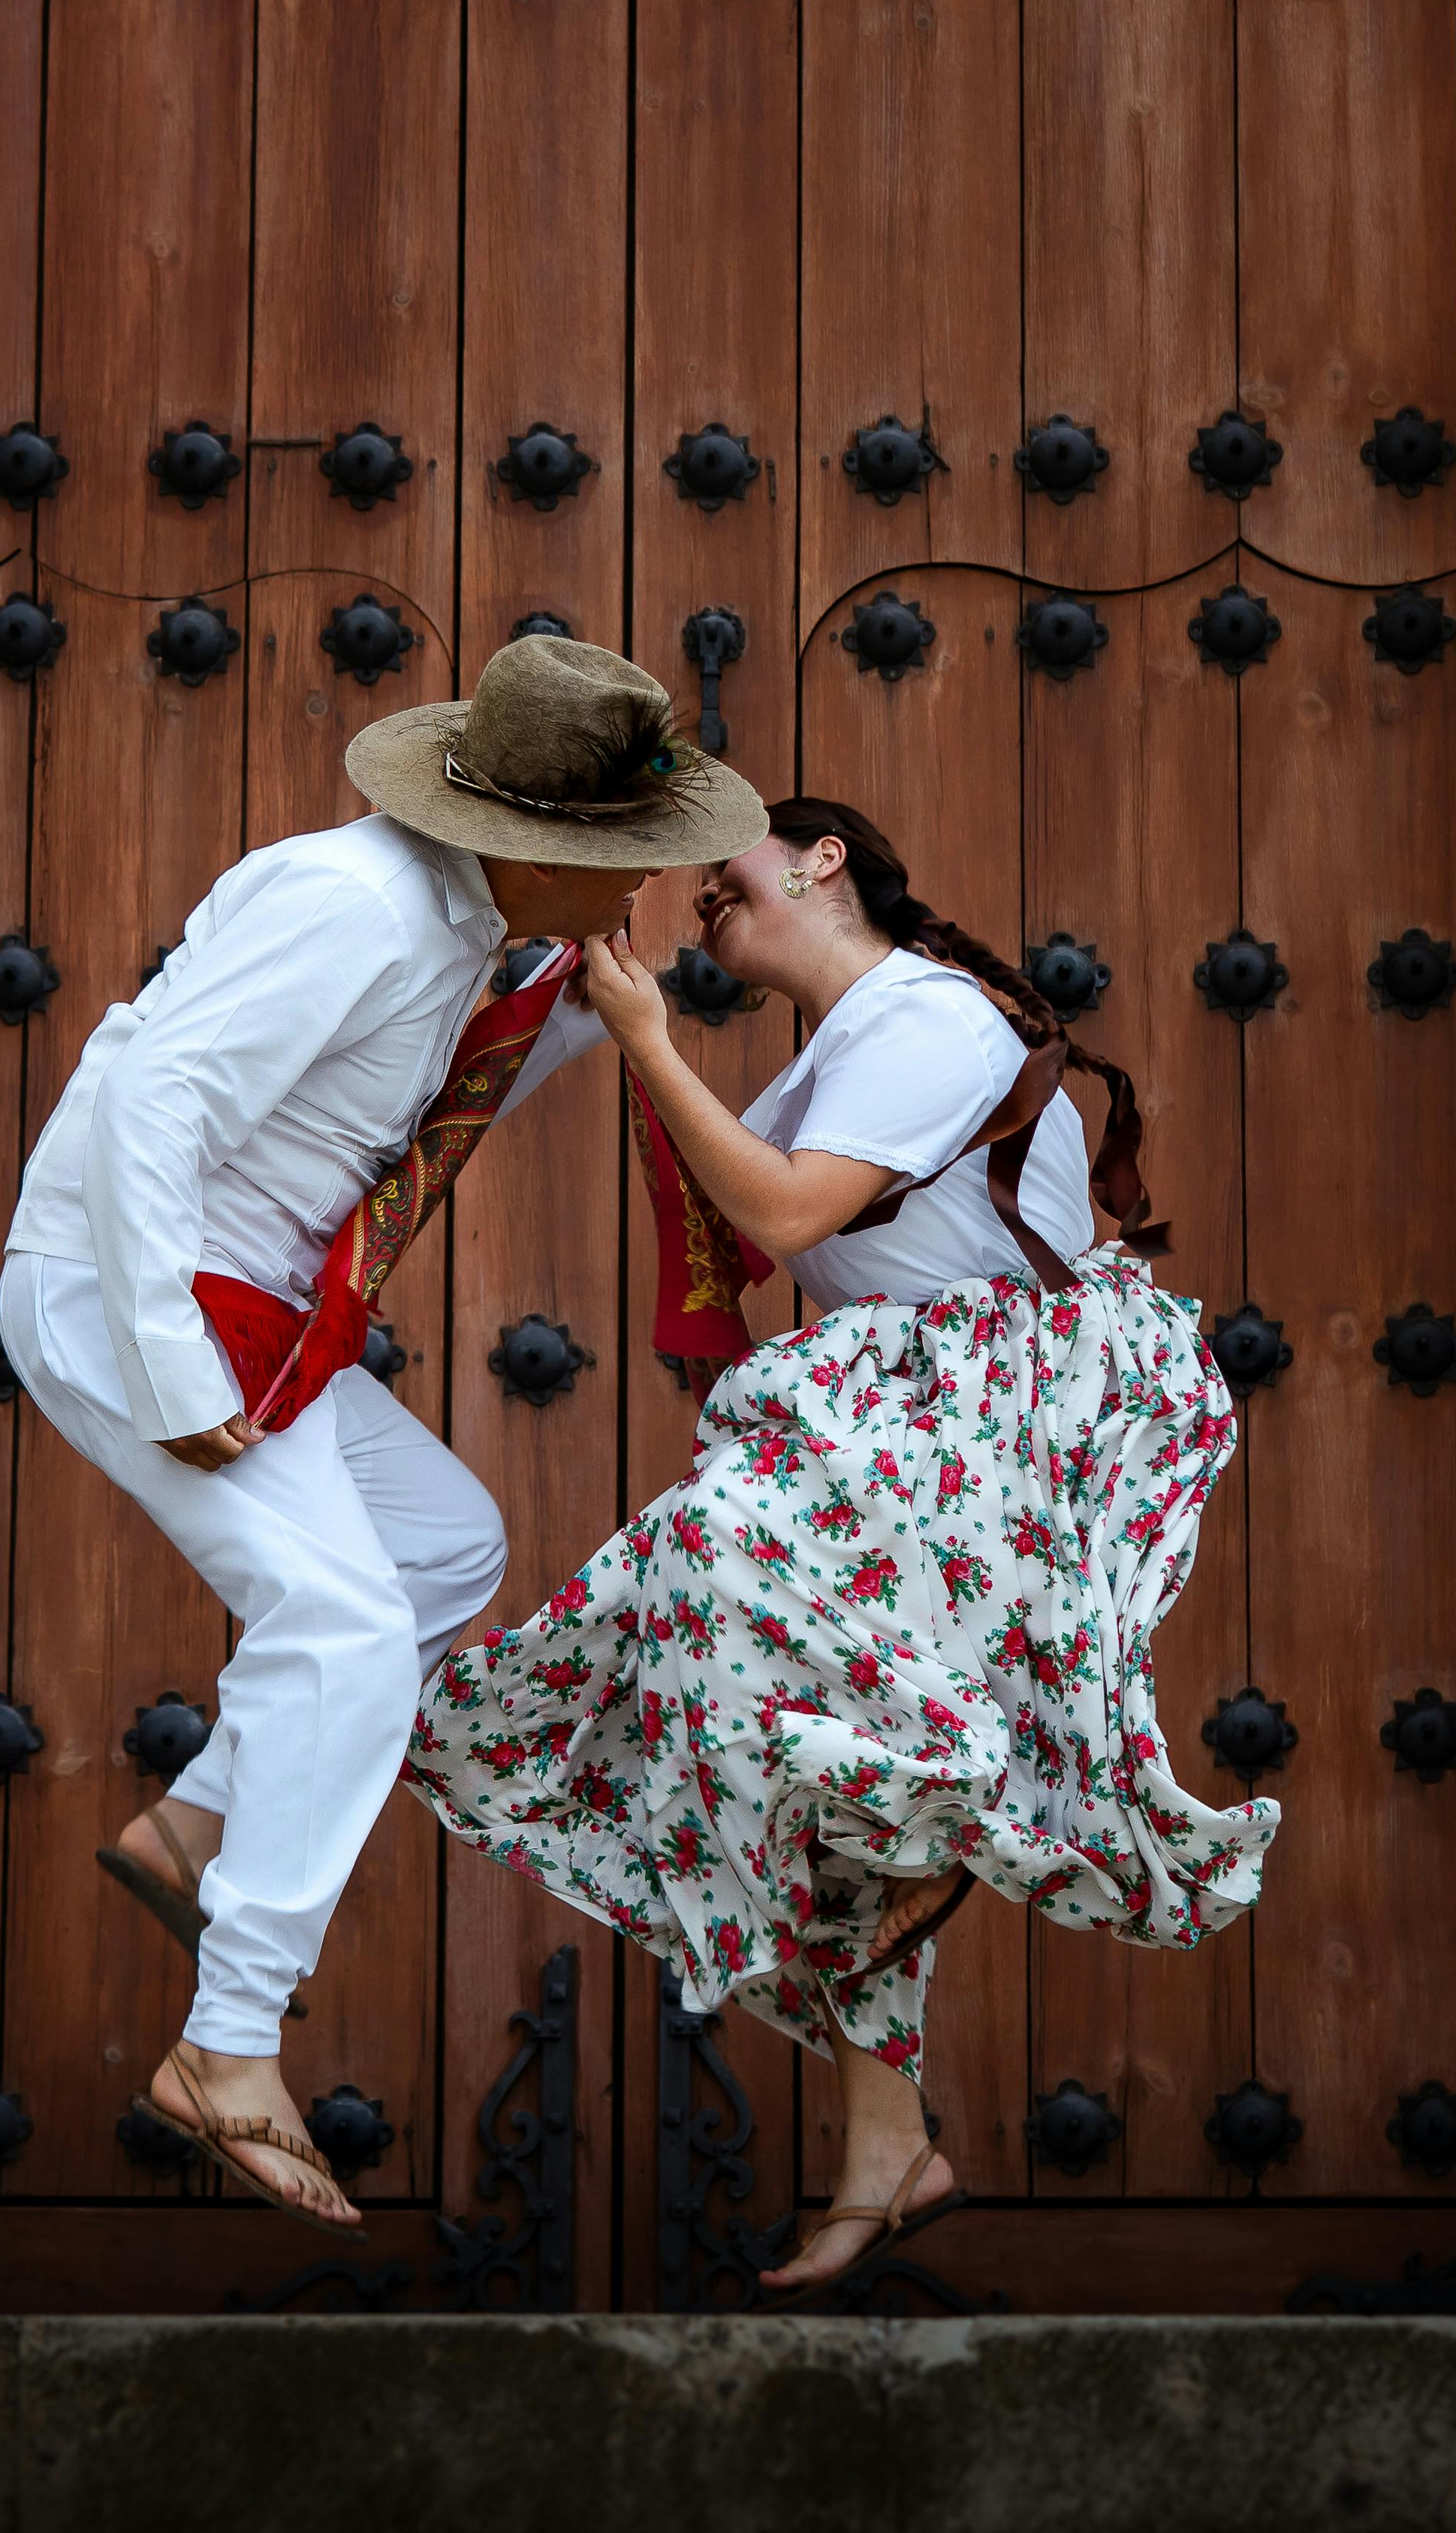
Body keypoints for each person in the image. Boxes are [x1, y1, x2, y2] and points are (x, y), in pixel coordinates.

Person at [408, 796, 1279, 2296]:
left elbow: (789, 1207)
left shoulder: (927, 1015)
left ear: (822, 860)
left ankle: (954, 1804)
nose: (700, 902)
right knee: (815, 1757)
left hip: (993, 1408)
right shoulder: (842, 1047)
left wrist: (648, 1038)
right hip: (903, 1401)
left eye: (727, 869)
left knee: (709, 1575)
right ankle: (890, 2141)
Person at [0, 633, 767, 2223]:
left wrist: (598, 1018)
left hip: (262, 1308)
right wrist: (174, 1369)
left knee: (437, 1545)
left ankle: (202, 1821)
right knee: (340, 1619)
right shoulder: (346, 907)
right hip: (138, 1294)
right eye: (615, 860)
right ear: (520, 845)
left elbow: (420, 1092)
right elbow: (154, 1106)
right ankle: (224, 2046)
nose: (635, 886)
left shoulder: (477, 937)